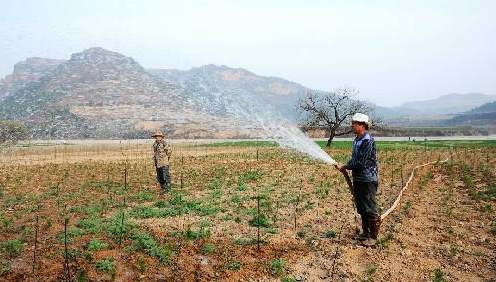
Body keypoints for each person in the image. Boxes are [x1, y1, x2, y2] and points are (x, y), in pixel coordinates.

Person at [334, 113, 380, 247]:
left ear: (363, 125)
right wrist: (346, 165)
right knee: (362, 207)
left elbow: (361, 163)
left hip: (367, 179)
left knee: (369, 208)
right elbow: (354, 159)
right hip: (358, 178)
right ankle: (365, 233)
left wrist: (345, 166)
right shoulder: (356, 140)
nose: (352, 125)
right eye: (353, 123)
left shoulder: (367, 140)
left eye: (355, 123)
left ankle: (373, 237)